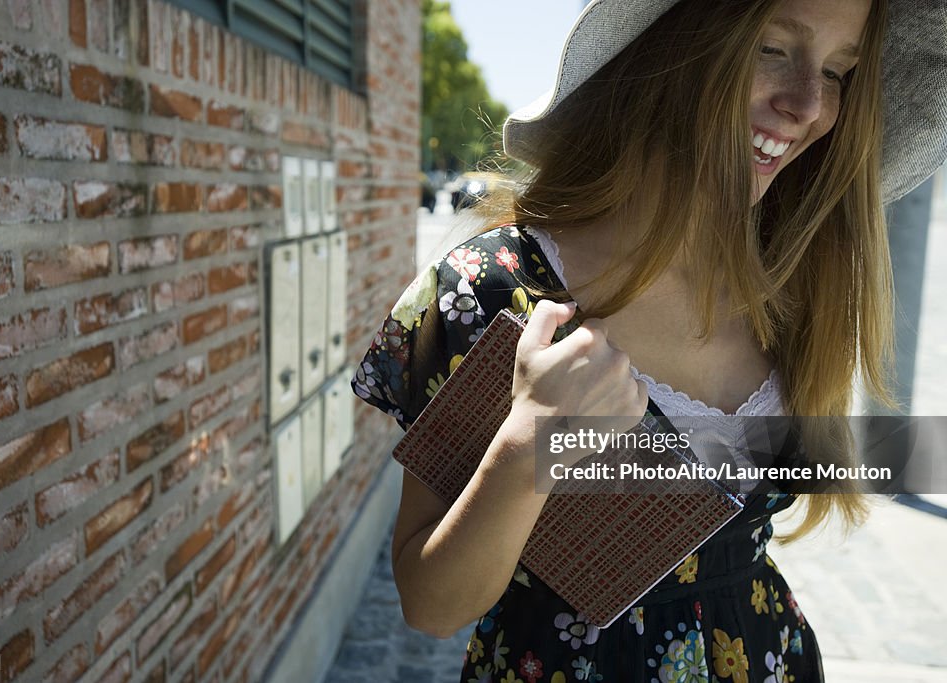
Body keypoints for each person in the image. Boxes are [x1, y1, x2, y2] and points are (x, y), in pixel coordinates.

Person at [351, 0, 946, 680]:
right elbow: (430, 605)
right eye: (772, 49)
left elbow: (757, 484)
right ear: (670, 48)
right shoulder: (490, 291)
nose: (810, 103)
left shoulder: (792, 288)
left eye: (841, 70)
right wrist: (530, 444)